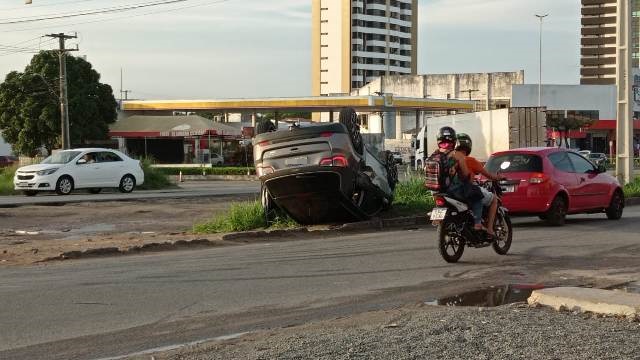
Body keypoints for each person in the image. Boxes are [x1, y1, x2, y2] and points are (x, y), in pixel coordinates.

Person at [432, 127, 485, 232]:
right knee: (477, 195)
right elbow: (466, 174)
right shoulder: (457, 155)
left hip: (436, 190)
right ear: (453, 140)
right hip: (453, 190)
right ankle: (478, 223)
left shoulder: (434, 154)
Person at [456, 133, 502, 237]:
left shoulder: (450, 158)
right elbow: (489, 175)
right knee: (493, 199)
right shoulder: (470, 161)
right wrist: (499, 177)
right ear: (468, 146)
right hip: (466, 190)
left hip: (453, 191)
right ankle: (489, 228)